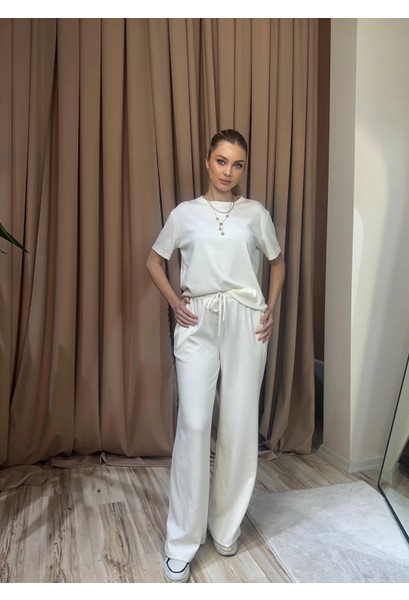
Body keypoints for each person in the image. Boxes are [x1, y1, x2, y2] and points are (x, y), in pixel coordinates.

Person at [146, 129, 285, 583]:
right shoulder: (184, 214)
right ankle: (182, 541)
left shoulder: (255, 214)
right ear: (208, 160)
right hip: (198, 320)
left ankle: (226, 527)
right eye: (222, 161)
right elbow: (154, 261)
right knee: (194, 424)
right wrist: (175, 302)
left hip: (247, 321)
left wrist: (269, 308)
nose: (229, 171)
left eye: (237, 164)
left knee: (240, 425)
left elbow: (277, 263)